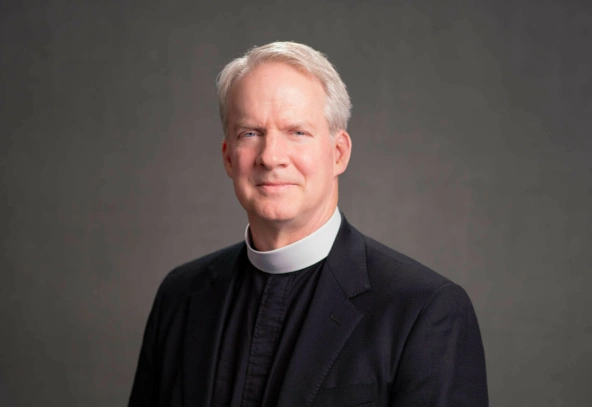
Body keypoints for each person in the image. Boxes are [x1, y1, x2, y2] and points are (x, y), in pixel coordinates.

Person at [129, 41, 488, 407]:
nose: (271, 157)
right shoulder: (180, 297)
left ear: (339, 153)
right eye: (250, 133)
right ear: (228, 158)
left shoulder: (424, 309)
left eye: (297, 132)